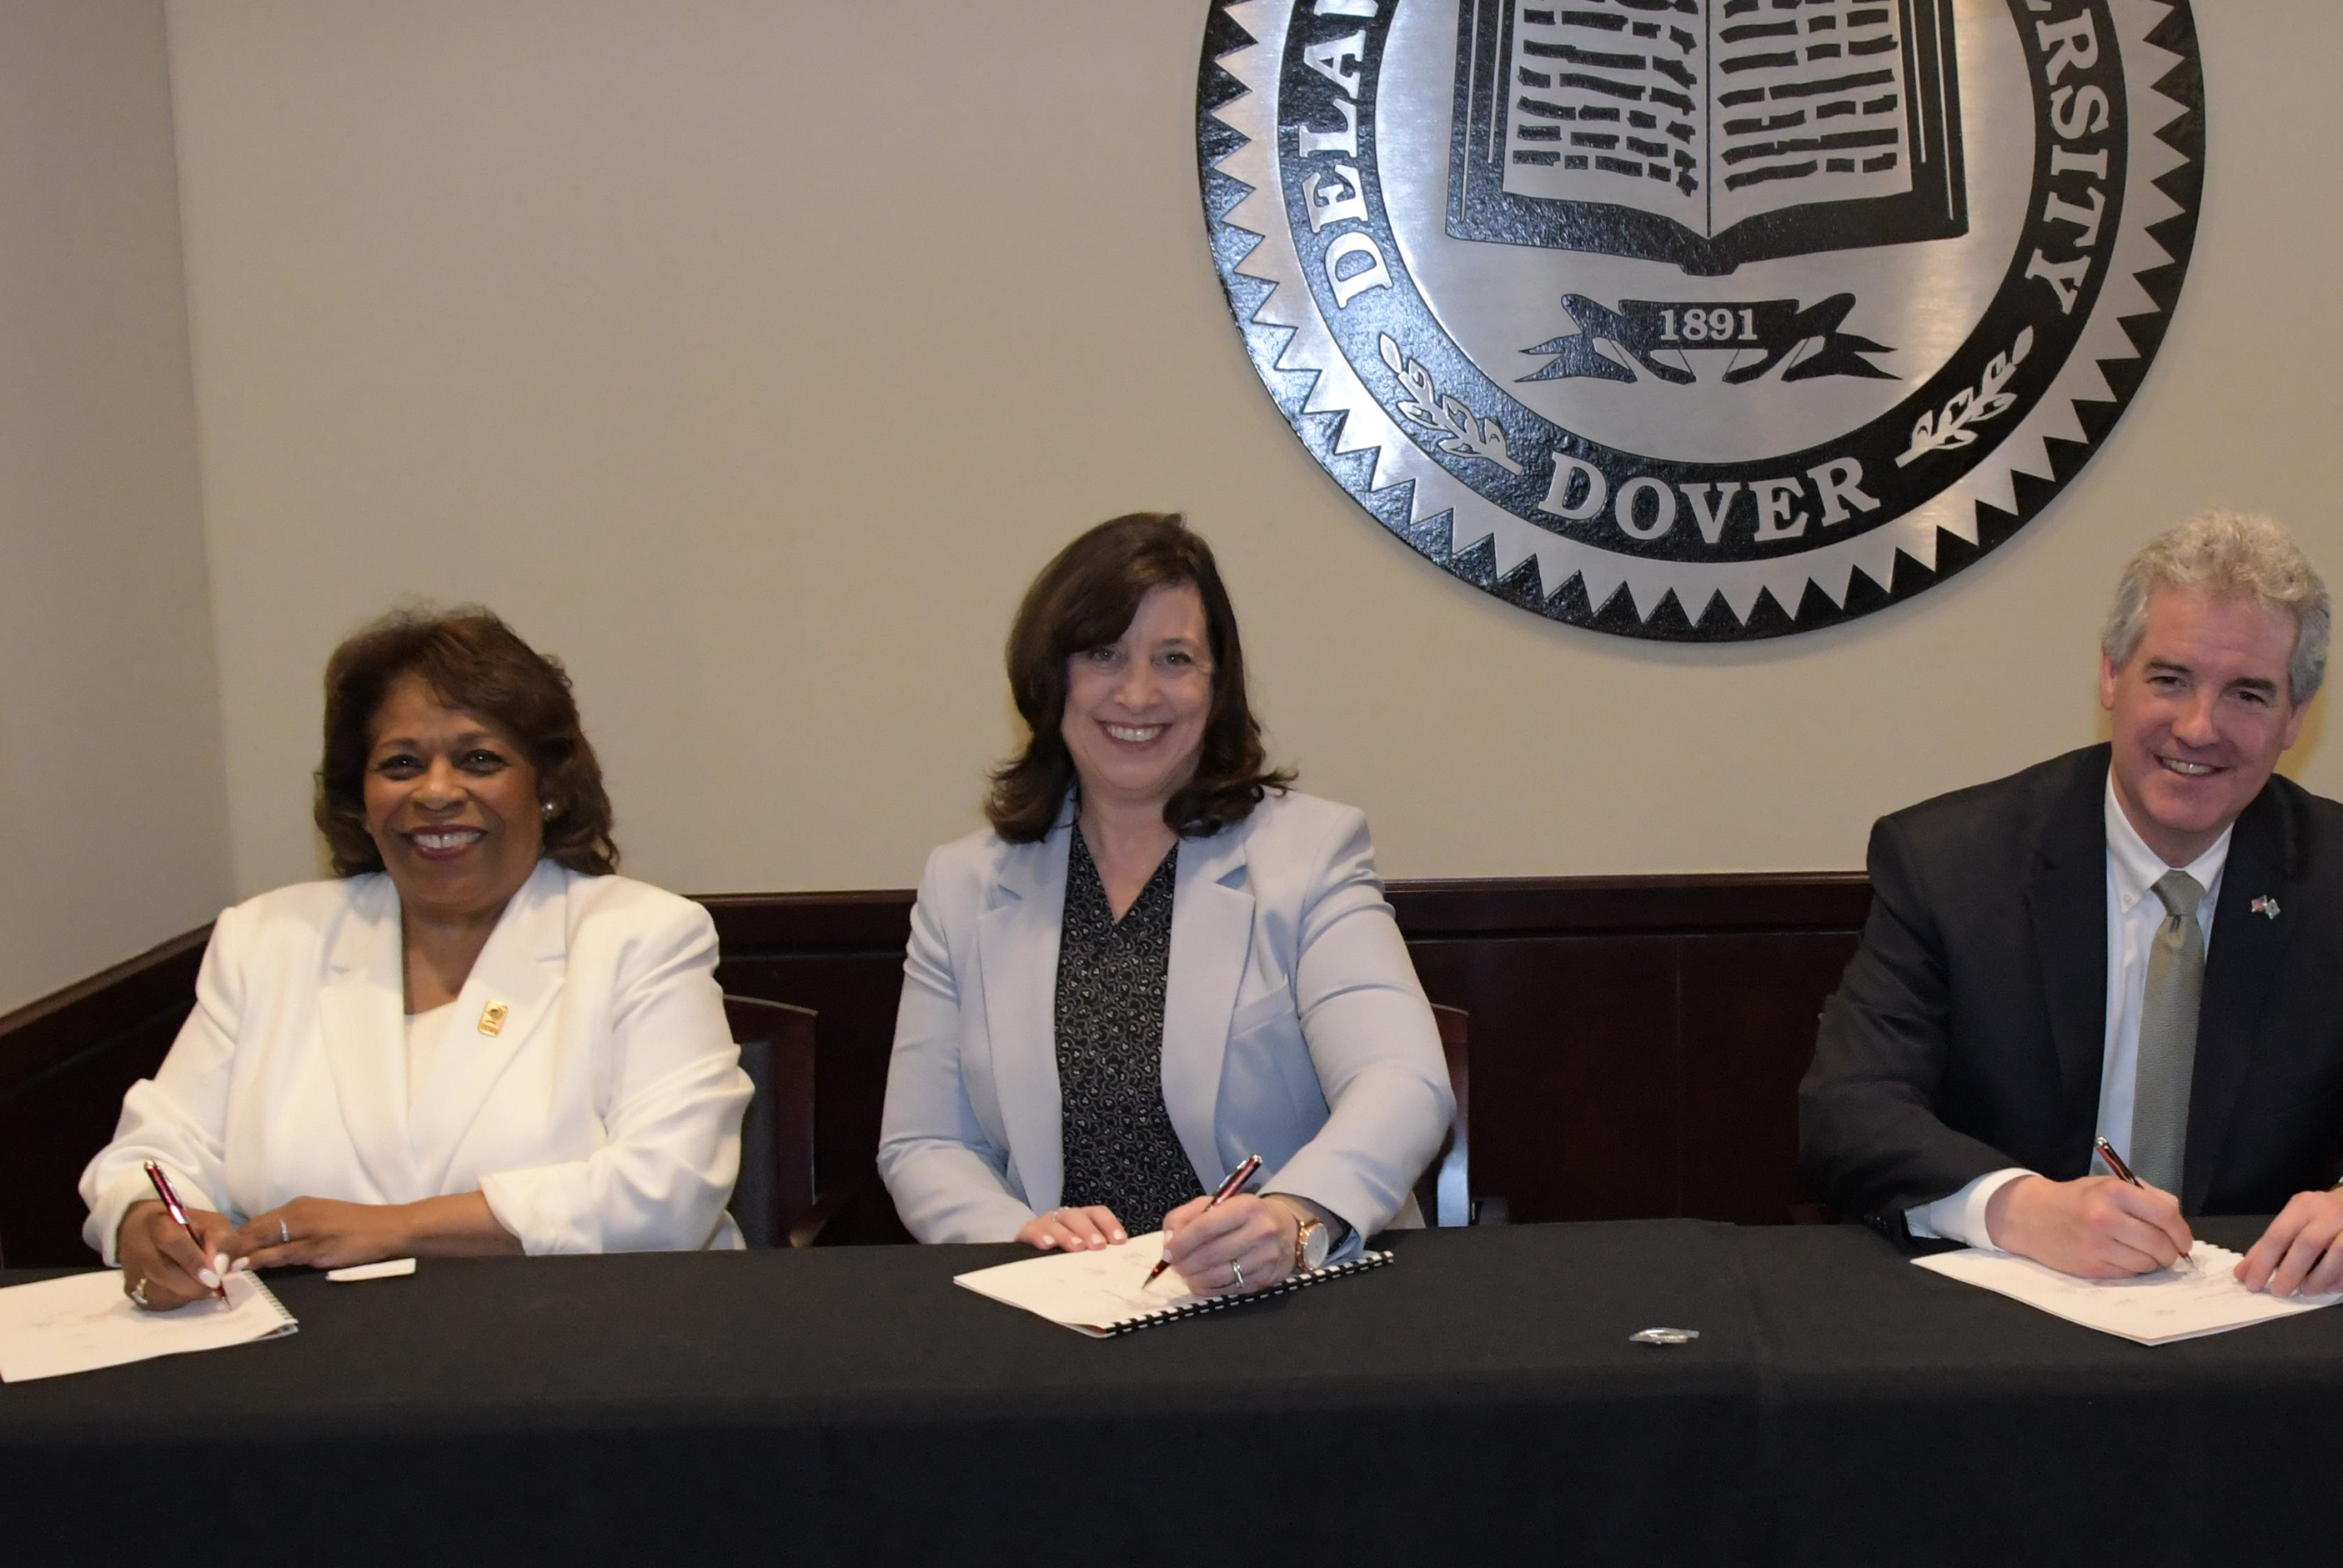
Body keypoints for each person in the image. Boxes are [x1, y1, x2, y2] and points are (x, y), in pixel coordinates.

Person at [1798, 511, 2343, 1296]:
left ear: (2295, 717)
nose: (2199, 728)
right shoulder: (1952, 862)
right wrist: (2020, 1208)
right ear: (2109, 676)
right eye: (2170, 680)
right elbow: (1851, 1108)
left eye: (2247, 694)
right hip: (1999, 1316)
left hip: (2259, 1320)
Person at [83, 609, 753, 1308]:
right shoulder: (268, 941)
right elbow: (151, 1152)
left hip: (585, 1341)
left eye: (479, 759)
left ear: (548, 787)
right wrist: (147, 1221)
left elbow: (669, 1189)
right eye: (401, 763)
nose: (435, 792)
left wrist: (391, 1229)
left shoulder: (641, 936)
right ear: (360, 798)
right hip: (307, 1357)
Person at [879, 513, 1452, 1294]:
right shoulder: (963, 884)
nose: (1139, 693)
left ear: (1216, 686)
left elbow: (1403, 1079)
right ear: (1052, 679)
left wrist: (1292, 1218)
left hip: (1279, 1306)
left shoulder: (1311, 854)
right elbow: (923, 1142)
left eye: (1174, 658)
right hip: (1059, 1314)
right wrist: (1010, 1231)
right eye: (1104, 654)